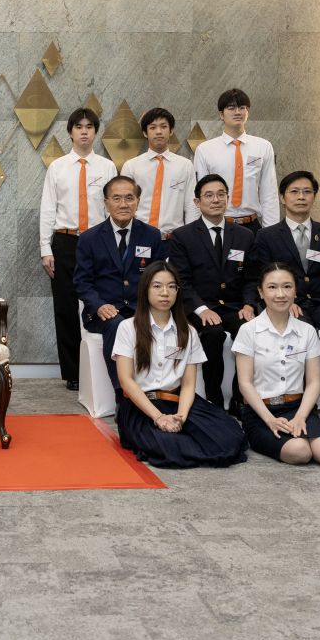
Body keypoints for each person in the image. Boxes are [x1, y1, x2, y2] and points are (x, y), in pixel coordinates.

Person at [112, 261, 248, 468]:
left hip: (177, 401)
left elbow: (188, 384)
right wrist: (159, 417)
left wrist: (181, 418)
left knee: (230, 436)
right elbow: (126, 381)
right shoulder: (128, 327)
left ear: (178, 291)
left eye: (171, 286)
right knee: (170, 447)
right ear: (145, 290)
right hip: (141, 405)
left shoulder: (188, 331)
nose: (165, 293)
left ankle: (186, 437)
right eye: (157, 286)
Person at [231, 263, 320, 466]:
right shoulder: (248, 331)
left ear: (295, 291)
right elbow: (245, 384)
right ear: (261, 292)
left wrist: (301, 416)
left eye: (287, 287)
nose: (280, 294)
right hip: (261, 412)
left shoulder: (307, 331)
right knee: (299, 452)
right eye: (272, 287)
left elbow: (313, 382)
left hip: (298, 408)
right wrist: (270, 420)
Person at [39, 107, 117, 390]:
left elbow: (111, 207)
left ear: (95, 132)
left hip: (98, 240)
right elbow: (48, 208)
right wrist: (45, 248)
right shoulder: (57, 167)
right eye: (79, 127)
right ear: (70, 132)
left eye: (89, 127)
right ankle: (73, 373)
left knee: (101, 301)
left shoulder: (107, 167)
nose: (84, 131)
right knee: (66, 306)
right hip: (65, 241)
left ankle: (101, 367)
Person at [166, 174, 257, 409]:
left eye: (220, 194)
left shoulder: (245, 235)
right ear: (197, 202)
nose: (215, 200)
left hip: (234, 306)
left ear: (227, 198)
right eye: (209, 195)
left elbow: (252, 278)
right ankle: (214, 399)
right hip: (199, 306)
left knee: (250, 330)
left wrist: (249, 304)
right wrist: (202, 309)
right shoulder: (182, 236)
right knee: (213, 334)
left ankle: (240, 398)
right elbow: (181, 281)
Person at [74, 175, 164, 390]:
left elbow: (159, 278)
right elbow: (82, 282)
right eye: (116, 198)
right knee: (117, 325)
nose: (123, 204)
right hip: (104, 312)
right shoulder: (89, 238)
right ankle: (123, 394)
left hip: (141, 308)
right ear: (106, 203)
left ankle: (158, 390)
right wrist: (98, 305)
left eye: (129, 198)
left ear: (138, 201)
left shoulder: (152, 235)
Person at [251, 170, 320, 334]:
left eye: (307, 192)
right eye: (294, 192)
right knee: (303, 332)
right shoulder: (266, 236)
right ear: (282, 198)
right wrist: (285, 301)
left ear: (314, 197)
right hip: (287, 303)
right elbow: (263, 277)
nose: (301, 197)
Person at [191, 88, 277, 229]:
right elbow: (199, 193)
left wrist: (271, 232)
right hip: (218, 224)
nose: (237, 112)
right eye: (231, 108)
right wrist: (199, 230)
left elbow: (269, 193)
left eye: (242, 108)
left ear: (247, 112)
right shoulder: (205, 149)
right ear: (221, 114)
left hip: (252, 225)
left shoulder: (263, 147)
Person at [121, 107, 194, 234]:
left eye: (163, 127)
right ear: (145, 133)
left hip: (173, 238)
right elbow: (124, 205)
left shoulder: (185, 165)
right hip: (139, 235)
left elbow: (191, 205)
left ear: (171, 131)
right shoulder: (131, 166)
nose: (158, 132)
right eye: (153, 127)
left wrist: (190, 237)